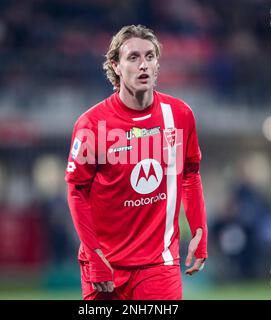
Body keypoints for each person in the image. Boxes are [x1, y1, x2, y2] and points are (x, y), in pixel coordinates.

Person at [65, 25, 208, 300]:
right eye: (133, 58)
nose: (143, 65)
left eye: (150, 56)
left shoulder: (180, 115)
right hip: (104, 262)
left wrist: (199, 231)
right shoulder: (91, 125)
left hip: (158, 263)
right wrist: (94, 256)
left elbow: (190, 174)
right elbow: (76, 191)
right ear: (116, 66)